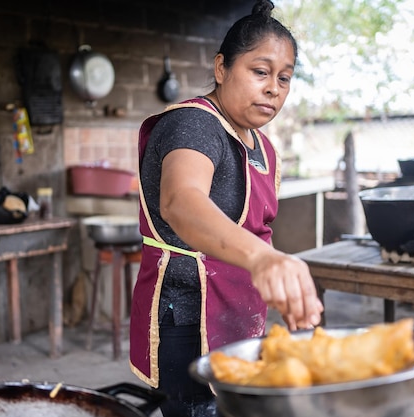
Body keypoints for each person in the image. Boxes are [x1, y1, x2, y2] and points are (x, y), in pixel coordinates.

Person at [129, 1, 324, 415]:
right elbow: (182, 202)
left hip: (239, 310)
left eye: (284, 78)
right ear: (221, 69)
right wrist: (265, 260)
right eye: (260, 71)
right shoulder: (194, 125)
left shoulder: (262, 146)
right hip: (187, 318)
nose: (274, 88)